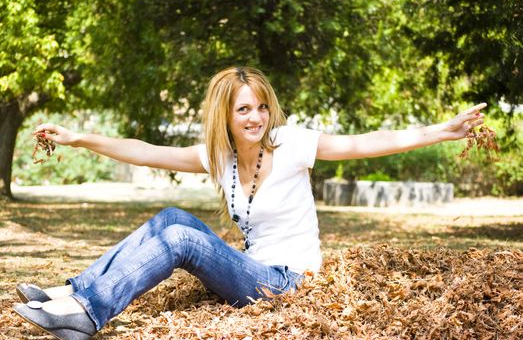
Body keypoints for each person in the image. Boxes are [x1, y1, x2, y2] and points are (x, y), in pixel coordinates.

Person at [13, 66, 486, 339]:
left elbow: (366, 142)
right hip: (252, 272)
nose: (256, 116)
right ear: (227, 115)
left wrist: (441, 131)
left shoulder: (290, 143)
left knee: (180, 238)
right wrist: (79, 139)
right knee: (171, 219)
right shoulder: (218, 156)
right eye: (244, 109)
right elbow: (145, 150)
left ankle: (87, 313)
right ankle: (73, 291)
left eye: (261, 106)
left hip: (289, 282)